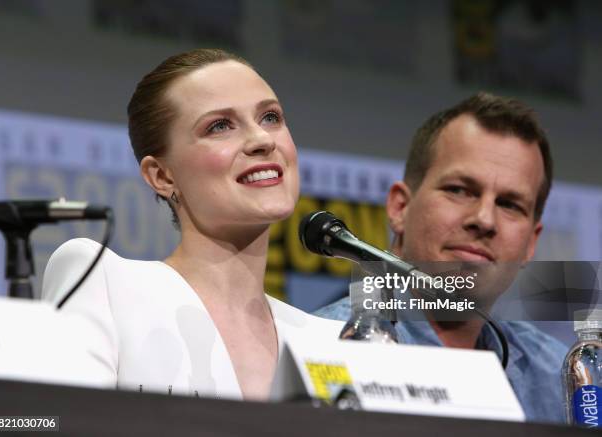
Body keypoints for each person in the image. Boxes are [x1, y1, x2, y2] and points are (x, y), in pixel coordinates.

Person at [42, 49, 342, 400]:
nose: (262, 140)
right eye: (219, 126)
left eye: (270, 117)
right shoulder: (104, 282)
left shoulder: (330, 343)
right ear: (162, 176)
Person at [315, 92, 568, 423]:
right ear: (400, 208)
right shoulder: (324, 343)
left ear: (531, 244)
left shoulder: (562, 378)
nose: (485, 220)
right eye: (460, 190)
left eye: (509, 204)